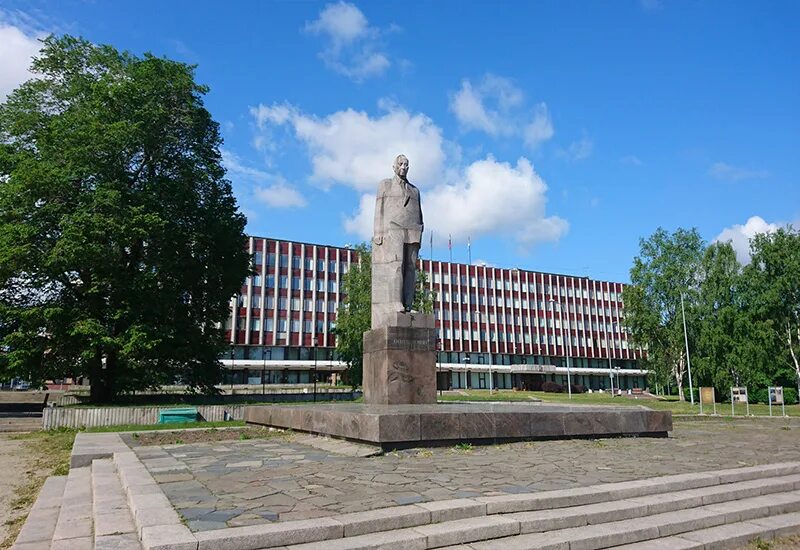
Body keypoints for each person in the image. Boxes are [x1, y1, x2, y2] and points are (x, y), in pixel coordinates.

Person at [371, 154, 424, 328]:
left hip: (413, 229)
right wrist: (378, 231)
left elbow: (419, 212)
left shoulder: (414, 190)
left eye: (406, 164)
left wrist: (421, 227)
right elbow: (379, 209)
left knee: (410, 267)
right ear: (394, 166)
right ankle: (395, 303)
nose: (403, 167)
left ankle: (408, 304)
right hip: (392, 227)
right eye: (400, 164)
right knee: (396, 265)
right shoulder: (385, 185)